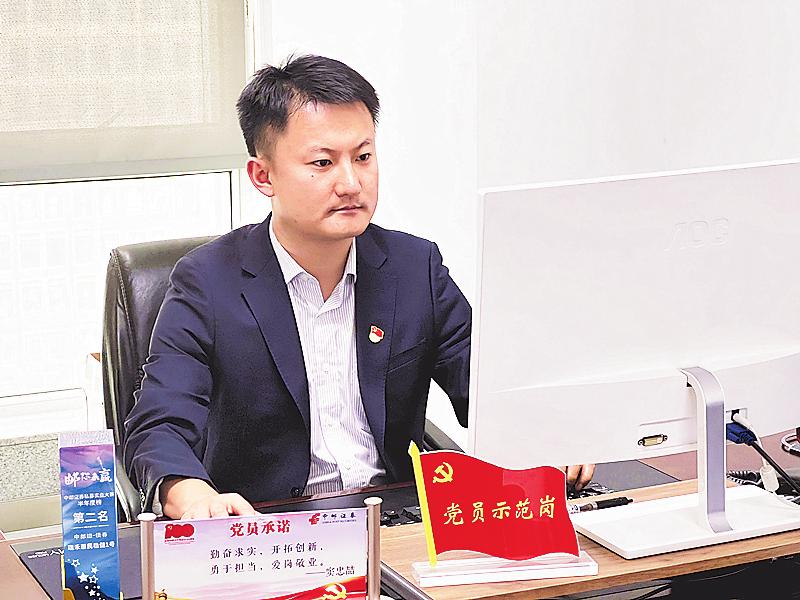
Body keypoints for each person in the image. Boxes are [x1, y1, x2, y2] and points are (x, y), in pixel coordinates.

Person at [123, 55, 593, 520]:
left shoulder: (415, 268)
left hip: (398, 520)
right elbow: (159, 422)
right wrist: (189, 493)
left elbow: (488, 387)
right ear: (263, 176)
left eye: (363, 157)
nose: (351, 183)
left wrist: (549, 434)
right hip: (270, 530)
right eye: (323, 162)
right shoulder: (208, 282)